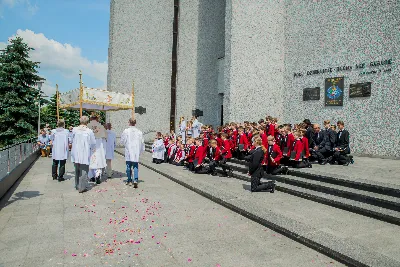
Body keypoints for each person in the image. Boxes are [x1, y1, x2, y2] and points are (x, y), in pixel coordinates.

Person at [71, 116, 96, 193]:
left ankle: (77, 184)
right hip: (85, 153)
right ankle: (81, 187)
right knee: (84, 170)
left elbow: (71, 139)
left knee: (77, 169)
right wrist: (93, 151)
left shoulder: (74, 130)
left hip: (76, 152)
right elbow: (93, 143)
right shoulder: (89, 131)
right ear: (87, 122)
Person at [121, 118, 145, 187]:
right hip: (135, 151)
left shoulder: (126, 131)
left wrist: (126, 144)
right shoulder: (139, 132)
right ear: (135, 123)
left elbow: (122, 140)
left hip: (129, 151)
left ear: (129, 122)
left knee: (128, 166)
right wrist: (141, 150)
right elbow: (142, 142)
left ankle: (129, 180)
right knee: (135, 166)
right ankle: (135, 180)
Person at [87, 114, 107, 184]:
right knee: (98, 160)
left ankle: (91, 176)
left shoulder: (88, 126)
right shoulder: (100, 126)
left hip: (90, 145)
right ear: (97, 119)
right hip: (99, 144)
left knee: (91, 160)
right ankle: (98, 175)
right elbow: (105, 137)